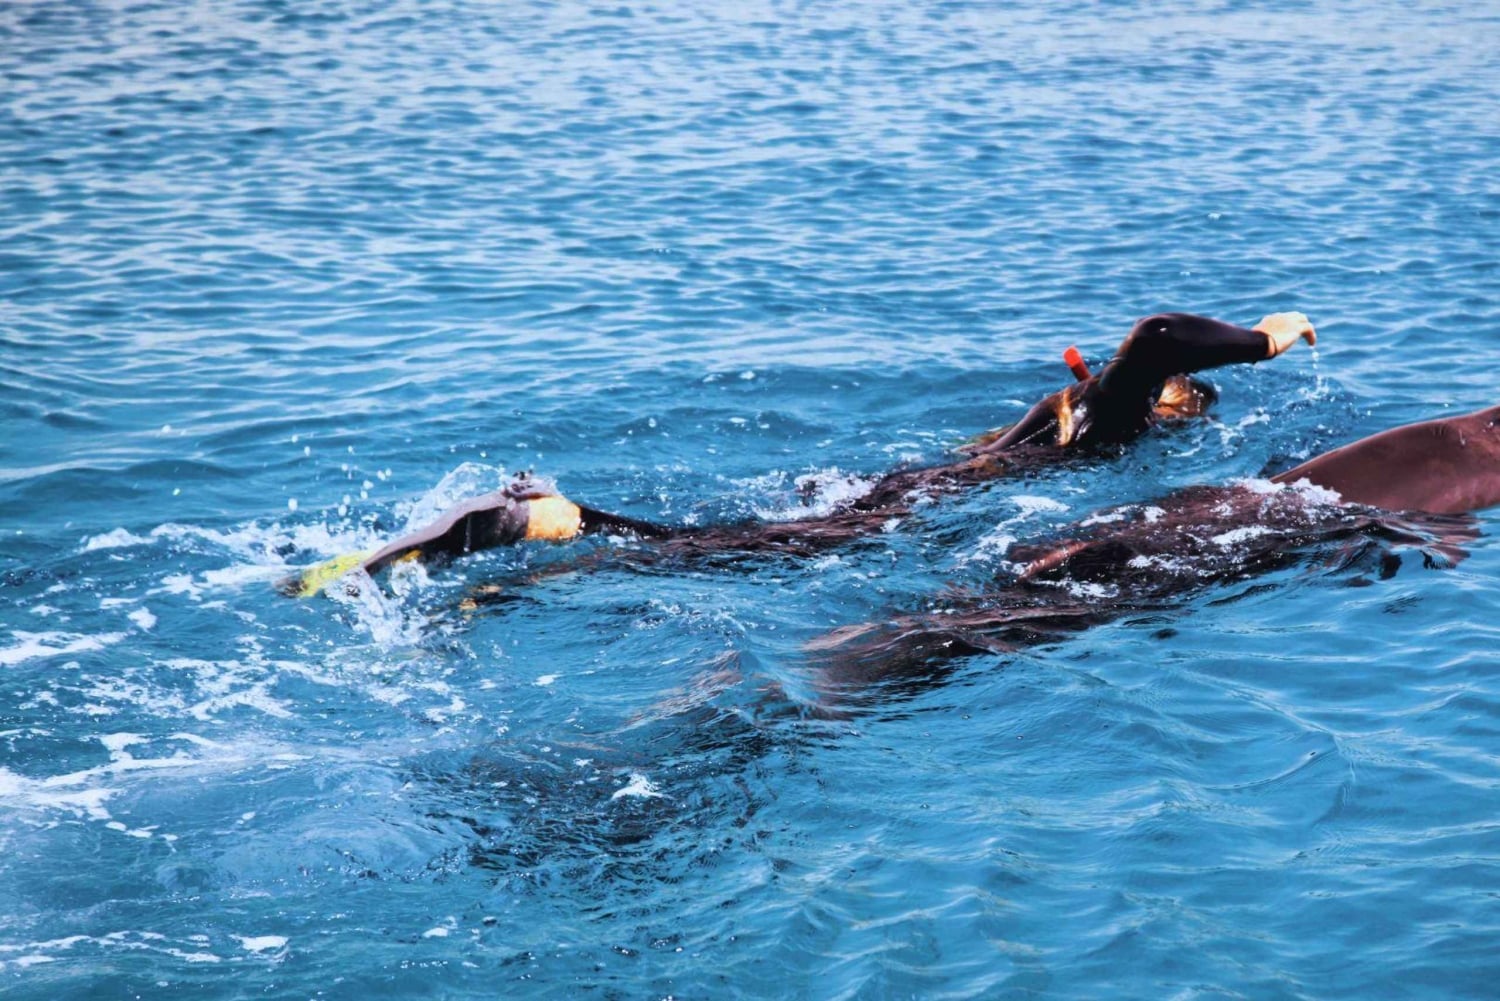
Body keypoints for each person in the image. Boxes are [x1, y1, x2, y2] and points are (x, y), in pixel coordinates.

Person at [282, 311, 1316, 596]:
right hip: (907, 510)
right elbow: (1163, 334)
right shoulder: (1112, 419)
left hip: (897, 485)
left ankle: (544, 549)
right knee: (729, 552)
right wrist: (1264, 340)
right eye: (1183, 411)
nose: (1172, 417)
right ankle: (553, 518)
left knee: (745, 541)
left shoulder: (1047, 415)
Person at [807, 403, 1500, 695]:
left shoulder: (1450, 439)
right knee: (1013, 623)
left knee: (985, 614)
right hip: (1212, 537)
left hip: (1192, 513)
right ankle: (846, 679)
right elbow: (1422, 549)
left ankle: (840, 668)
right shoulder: (1456, 452)